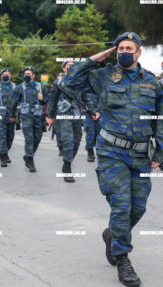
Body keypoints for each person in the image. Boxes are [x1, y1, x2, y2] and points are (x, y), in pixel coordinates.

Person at [65, 32, 163, 287]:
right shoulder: (102, 77)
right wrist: (95, 58)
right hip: (112, 152)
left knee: (138, 208)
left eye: (129, 47)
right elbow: (69, 82)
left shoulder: (152, 82)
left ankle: (112, 234)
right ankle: (122, 259)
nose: (124, 51)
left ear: (139, 52)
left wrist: (160, 151)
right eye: (120, 48)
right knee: (121, 205)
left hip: (141, 153)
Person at [49, 61, 92, 182]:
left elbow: (87, 98)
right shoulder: (58, 82)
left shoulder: (82, 81)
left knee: (77, 142)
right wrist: (50, 117)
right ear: (64, 69)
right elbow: (52, 100)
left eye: (74, 66)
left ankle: (67, 162)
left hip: (77, 115)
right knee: (68, 140)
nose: (71, 68)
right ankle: (67, 167)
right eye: (68, 66)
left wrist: (93, 112)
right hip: (64, 115)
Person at [10, 67, 48, 172]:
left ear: (33, 75)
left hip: (38, 116)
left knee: (38, 138)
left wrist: (43, 98)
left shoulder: (41, 87)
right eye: (25, 73)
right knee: (29, 138)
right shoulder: (19, 87)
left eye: (29, 73)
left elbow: (49, 100)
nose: (27, 74)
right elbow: (14, 102)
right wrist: (12, 115)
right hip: (26, 116)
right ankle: (30, 160)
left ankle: (27, 155)